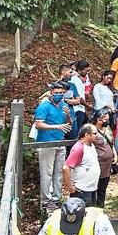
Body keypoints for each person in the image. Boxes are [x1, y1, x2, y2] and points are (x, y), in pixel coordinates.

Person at [35, 81, 71, 210]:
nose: (59, 95)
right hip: (47, 142)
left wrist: (67, 116)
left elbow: (69, 125)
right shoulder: (44, 106)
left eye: (61, 93)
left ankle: (57, 197)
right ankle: (46, 199)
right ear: (51, 93)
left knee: (59, 171)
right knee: (47, 172)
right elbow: (38, 124)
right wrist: (56, 126)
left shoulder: (63, 105)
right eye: (56, 93)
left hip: (60, 141)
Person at [62, 124, 100, 206]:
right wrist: (70, 187)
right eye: (95, 133)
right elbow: (66, 167)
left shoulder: (91, 145)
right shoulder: (79, 148)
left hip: (92, 188)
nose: (97, 136)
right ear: (87, 135)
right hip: (81, 190)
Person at [90, 109, 115, 208]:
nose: (107, 121)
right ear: (98, 120)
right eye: (105, 119)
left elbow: (111, 142)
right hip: (97, 163)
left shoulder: (107, 128)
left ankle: (100, 207)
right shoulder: (92, 130)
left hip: (107, 165)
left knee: (103, 188)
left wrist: (114, 154)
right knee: (95, 187)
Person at [69, 60, 92, 135]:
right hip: (78, 109)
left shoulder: (78, 79)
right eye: (86, 71)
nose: (87, 73)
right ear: (79, 70)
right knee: (76, 132)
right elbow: (79, 98)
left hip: (81, 109)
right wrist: (88, 106)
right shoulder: (76, 81)